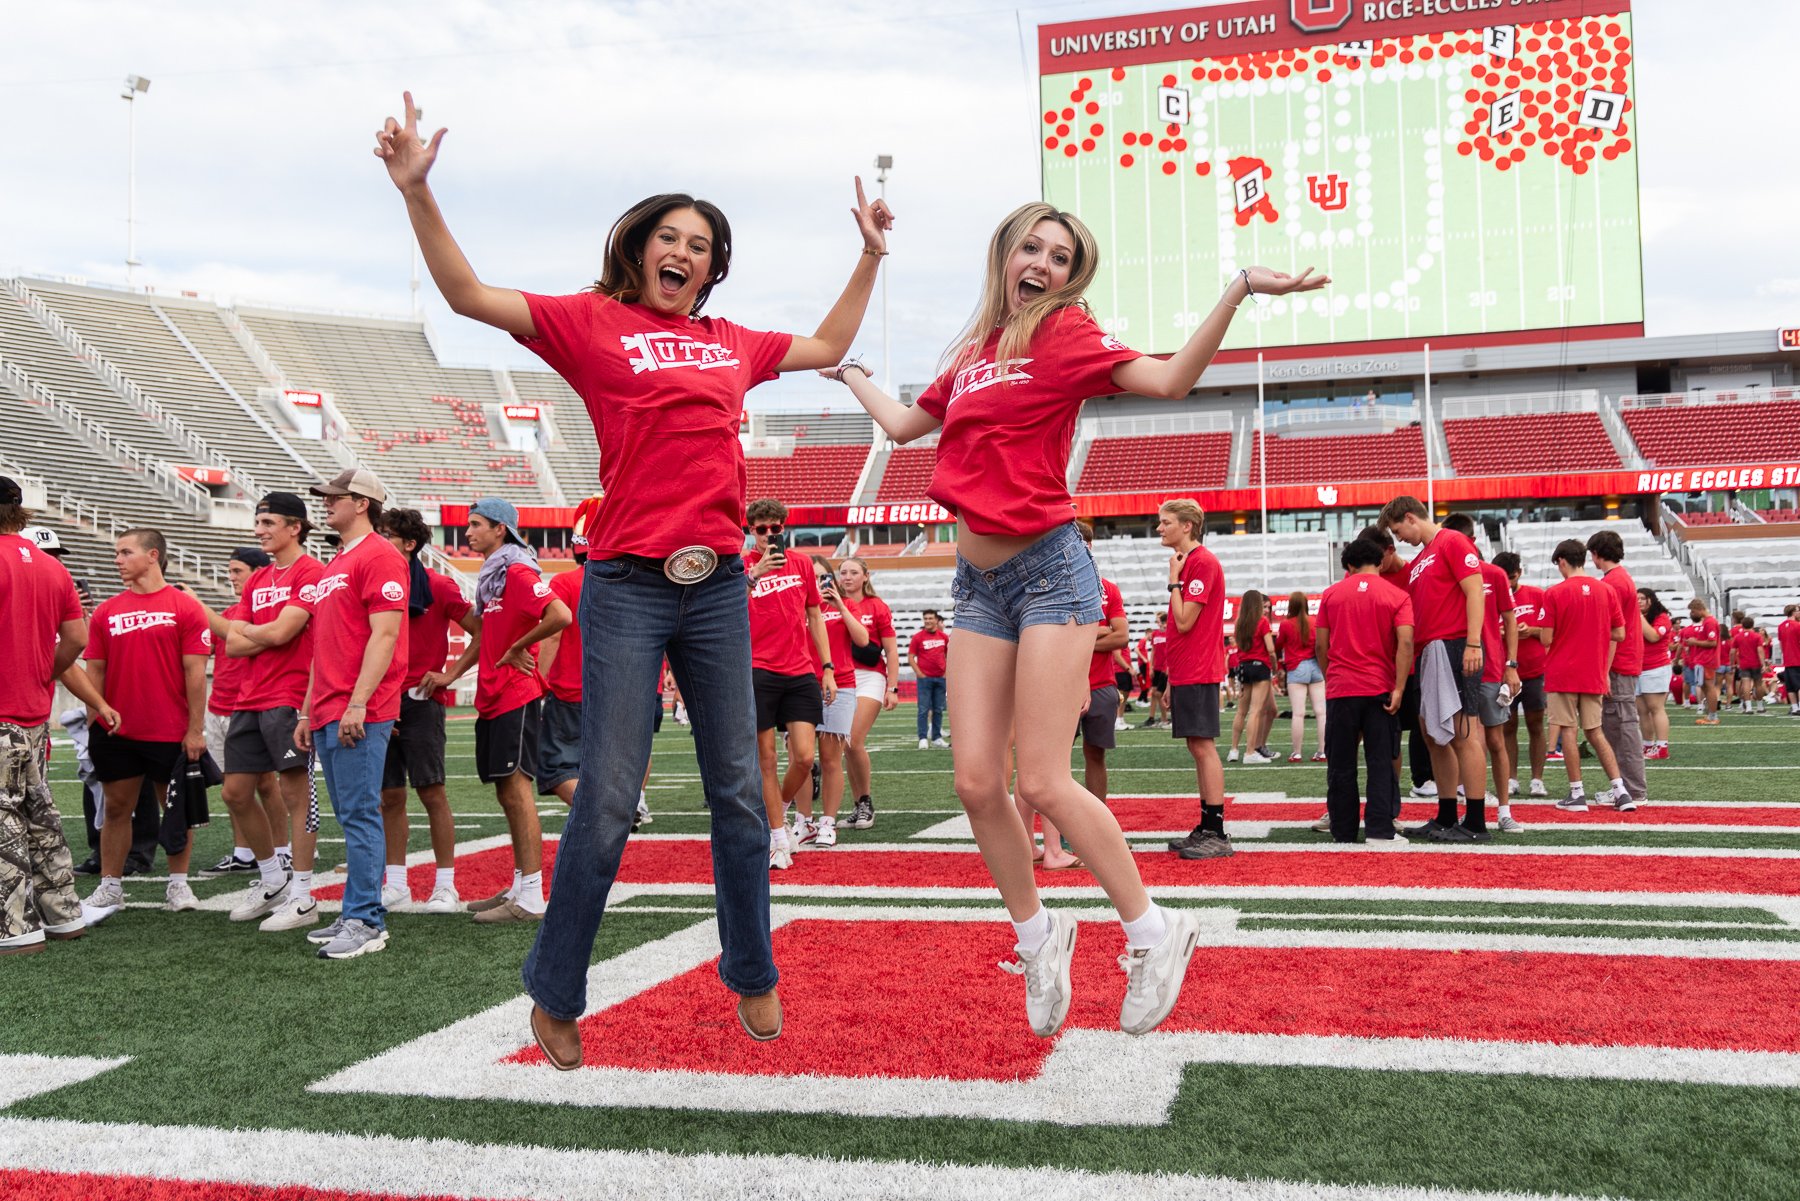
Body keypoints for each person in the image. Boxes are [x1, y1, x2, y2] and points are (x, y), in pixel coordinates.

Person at [377, 89, 894, 1053]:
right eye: (670, 235)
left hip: (719, 588)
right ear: (638, 247)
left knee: (739, 791)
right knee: (609, 796)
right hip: (623, 584)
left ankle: (751, 965)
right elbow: (467, 297)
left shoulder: (732, 344)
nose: (685, 251)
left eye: (701, 243)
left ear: (713, 265)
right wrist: (417, 193)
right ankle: (557, 987)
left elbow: (826, 346)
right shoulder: (591, 322)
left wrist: (869, 253)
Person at [828, 202, 1323, 1035]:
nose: (1045, 264)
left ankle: (1155, 931)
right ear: (1006, 253)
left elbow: (1170, 381)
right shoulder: (976, 354)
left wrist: (1237, 290)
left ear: (1071, 278)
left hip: (1050, 574)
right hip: (977, 586)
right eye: (1034, 246)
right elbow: (906, 426)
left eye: (1062, 257)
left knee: (1044, 780)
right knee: (976, 781)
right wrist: (848, 373)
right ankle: (1038, 934)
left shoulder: (1067, 335)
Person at [420, 498, 569, 925]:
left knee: (518, 793)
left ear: (500, 529)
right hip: (493, 694)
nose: (467, 533)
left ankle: (532, 897)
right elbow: (485, 637)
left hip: (515, 695)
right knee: (507, 793)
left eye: (475, 525)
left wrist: (520, 647)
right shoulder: (494, 578)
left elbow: (560, 615)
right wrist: (452, 675)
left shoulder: (518, 572)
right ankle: (521, 886)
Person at [295, 468, 409, 960]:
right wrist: (306, 709)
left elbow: (384, 636)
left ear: (361, 502)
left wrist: (358, 701)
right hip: (328, 706)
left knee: (361, 815)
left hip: (358, 707)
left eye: (334, 497)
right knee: (350, 815)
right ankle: (354, 910)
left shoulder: (381, 555)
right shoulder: (336, 562)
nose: (325, 504)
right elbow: (325, 644)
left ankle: (366, 919)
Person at [77, 530, 212, 924]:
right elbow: (95, 670)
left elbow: (196, 674)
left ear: (153, 555)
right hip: (116, 731)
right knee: (117, 808)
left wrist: (195, 729)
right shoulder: (105, 611)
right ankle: (111, 885)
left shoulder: (185, 607)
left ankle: (179, 882)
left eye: (125, 552)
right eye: (116, 553)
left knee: (175, 808)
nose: (118, 560)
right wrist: (93, 720)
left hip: (169, 729)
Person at [221, 492, 324, 932]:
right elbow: (232, 642)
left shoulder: (312, 571)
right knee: (235, 793)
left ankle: (303, 895)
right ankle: (272, 880)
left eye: (267, 522)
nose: (258, 529)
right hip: (249, 696)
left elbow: (285, 632)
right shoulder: (258, 579)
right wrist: (267, 633)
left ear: (294, 527)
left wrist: (259, 632)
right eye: (258, 522)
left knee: (295, 796)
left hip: (290, 695)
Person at [0, 480, 92, 953]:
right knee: (40, 815)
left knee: (4, 820)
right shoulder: (53, 569)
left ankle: (15, 930)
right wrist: (41, 674)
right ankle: (64, 917)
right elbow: (76, 638)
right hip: (33, 712)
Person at [1377, 496, 1490, 842]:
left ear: (1410, 518)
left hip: (1454, 644)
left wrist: (1473, 642)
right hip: (1429, 652)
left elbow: (1475, 591)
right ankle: (1445, 814)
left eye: (1398, 531)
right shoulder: (1423, 557)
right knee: (1433, 736)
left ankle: (1475, 821)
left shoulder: (1453, 541)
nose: (1400, 539)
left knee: (1463, 731)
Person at [379, 507, 473, 913]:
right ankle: (396, 884)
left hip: (420, 701)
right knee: (389, 796)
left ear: (409, 543)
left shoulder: (438, 585)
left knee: (432, 792)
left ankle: (446, 885)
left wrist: (449, 674)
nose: (379, 541)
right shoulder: (374, 583)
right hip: (380, 700)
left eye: (386, 535)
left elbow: (484, 631)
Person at [743, 498, 834, 857]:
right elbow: (730, 608)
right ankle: (777, 835)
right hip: (757, 669)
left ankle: (775, 809)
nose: (769, 535)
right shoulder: (740, 566)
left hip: (799, 669)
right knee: (765, 759)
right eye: (761, 529)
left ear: (784, 527)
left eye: (774, 528)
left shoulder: (801, 564)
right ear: (752, 531)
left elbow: (815, 616)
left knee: (803, 757)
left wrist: (826, 668)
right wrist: (755, 574)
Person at [1314, 538, 1414, 843]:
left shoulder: (1331, 594)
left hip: (1342, 688)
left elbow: (1320, 644)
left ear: (1348, 565)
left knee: (1341, 764)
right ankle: (1380, 829)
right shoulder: (1397, 595)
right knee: (1381, 762)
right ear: (1381, 562)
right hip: (1379, 688)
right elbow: (1406, 642)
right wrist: (1399, 687)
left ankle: (1342, 830)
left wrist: (1332, 675)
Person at [1528, 539, 1633, 812]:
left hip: (1563, 671)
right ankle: (1620, 790)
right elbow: (1620, 633)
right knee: (1596, 732)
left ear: (1562, 561)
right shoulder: (1606, 590)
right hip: (1593, 671)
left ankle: (1577, 793)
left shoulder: (1554, 593)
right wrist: (1592, 631)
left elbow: (1547, 638)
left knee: (1568, 731)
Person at [1158, 500, 1233, 861]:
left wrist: (1173, 581)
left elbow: (1185, 620)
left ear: (1187, 525)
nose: (1160, 528)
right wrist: (1173, 678)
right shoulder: (1192, 563)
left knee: (1203, 748)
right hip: (1189, 669)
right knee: (1196, 748)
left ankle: (1216, 831)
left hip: (1200, 668)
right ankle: (1207, 826)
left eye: (1165, 522)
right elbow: (1181, 629)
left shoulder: (1201, 562)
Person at [199, 547, 281, 876]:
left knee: (266, 784)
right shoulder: (231, 613)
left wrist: (198, 607)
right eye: (230, 571)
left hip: (249, 707)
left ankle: (281, 849)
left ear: (259, 575)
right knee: (233, 789)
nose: (231, 578)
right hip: (218, 708)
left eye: (238, 571)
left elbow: (232, 637)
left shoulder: (268, 616)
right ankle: (243, 852)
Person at [1441, 514, 1522, 832]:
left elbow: (1510, 619)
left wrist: (1511, 665)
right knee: (1464, 739)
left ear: (1468, 540)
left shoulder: (1493, 574)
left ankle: (1504, 809)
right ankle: (1469, 807)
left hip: (1489, 670)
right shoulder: (1443, 574)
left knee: (1495, 741)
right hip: (1455, 670)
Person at [1067, 520, 1128, 848]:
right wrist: (1098, 632)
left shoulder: (1108, 588)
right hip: (1062, 686)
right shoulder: (1058, 587)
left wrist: (1079, 638)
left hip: (1101, 683)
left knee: (1096, 756)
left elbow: (1121, 635)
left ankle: (1098, 827)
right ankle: (1067, 827)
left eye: (1086, 544)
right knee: (1056, 764)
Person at [807, 566, 872, 864]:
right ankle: (802, 820)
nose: (820, 583)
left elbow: (862, 640)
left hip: (841, 684)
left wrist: (840, 605)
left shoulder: (846, 605)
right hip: (801, 682)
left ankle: (827, 822)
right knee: (802, 759)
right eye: (815, 576)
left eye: (824, 577)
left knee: (832, 758)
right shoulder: (800, 603)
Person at [1586, 530, 1648, 809]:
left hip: (1619, 662)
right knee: (1616, 727)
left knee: (1623, 728)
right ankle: (1625, 786)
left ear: (1597, 554)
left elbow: (1614, 632)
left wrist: (1603, 670)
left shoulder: (1613, 583)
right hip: (1623, 660)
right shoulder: (1620, 579)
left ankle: (1633, 789)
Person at [834, 556, 896, 830]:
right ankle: (858, 805)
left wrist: (892, 687)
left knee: (853, 739)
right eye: (843, 572)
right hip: (840, 676)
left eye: (853, 572)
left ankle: (866, 802)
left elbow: (891, 650)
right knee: (844, 745)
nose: (847, 577)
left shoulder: (876, 606)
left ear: (866, 576)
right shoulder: (830, 604)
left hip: (870, 676)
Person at [1494, 552, 1550, 798]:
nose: (1508, 583)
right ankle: (1511, 777)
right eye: (1503, 578)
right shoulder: (1491, 597)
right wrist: (1504, 632)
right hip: (1503, 671)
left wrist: (1533, 630)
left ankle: (1537, 779)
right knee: (1507, 726)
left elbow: (1550, 630)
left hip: (1534, 670)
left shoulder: (1537, 595)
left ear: (1520, 572)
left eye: (1512, 577)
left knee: (1536, 725)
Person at [1276, 590, 1326, 763]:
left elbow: (1279, 644)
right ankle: (1323, 751)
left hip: (1296, 668)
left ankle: (1296, 753)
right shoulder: (1315, 622)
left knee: (1298, 714)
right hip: (1315, 666)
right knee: (1321, 713)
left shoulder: (1286, 624)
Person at [1232, 591, 1278, 764]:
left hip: (1244, 666)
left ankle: (1234, 750)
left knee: (1241, 711)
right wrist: (1273, 666)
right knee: (1256, 711)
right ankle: (1250, 752)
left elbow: (1240, 647)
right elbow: (1271, 649)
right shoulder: (1262, 621)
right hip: (1260, 667)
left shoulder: (1239, 623)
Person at [1636, 588, 1673, 759]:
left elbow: (1653, 636)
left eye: (1642, 598)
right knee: (1642, 710)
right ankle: (1648, 745)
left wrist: (1638, 616)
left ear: (1651, 600)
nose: (1639, 601)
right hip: (1638, 668)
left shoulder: (1662, 618)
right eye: (1636, 599)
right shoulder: (1638, 617)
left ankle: (1662, 746)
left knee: (1655, 708)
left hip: (1655, 668)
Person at [909, 610, 949, 749]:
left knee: (938, 709)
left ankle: (937, 737)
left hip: (940, 679)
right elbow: (911, 657)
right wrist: (919, 673)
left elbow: (948, 655)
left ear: (936, 620)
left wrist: (946, 672)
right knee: (923, 709)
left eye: (930, 618)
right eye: (925, 618)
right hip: (925, 679)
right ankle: (922, 738)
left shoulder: (944, 637)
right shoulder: (918, 637)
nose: (927, 621)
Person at [1685, 598, 1723, 725]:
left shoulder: (1709, 622)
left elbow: (1712, 642)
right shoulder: (1707, 622)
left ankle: (1713, 716)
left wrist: (1694, 641)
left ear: (1700, 609)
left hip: (1707, 659)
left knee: (1709, 687)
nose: (1692, 614)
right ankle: (1711, 714)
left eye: (1693, 611)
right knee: (1705, 687)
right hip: (1703, 659)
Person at [1729, 615, 1765, 715]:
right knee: (1758, 684)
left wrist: (1732, 664)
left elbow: (1732, 652)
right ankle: (1760, 706)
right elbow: (1760, 650)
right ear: (1752, 625)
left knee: (1746, 685)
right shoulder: (1757, 636)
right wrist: (1763, 664)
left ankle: (1748, 707)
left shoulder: (1737, 637)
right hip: (1756, 663)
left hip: (1744, 664)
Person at [1779, 604, 1800, 716]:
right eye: (1798, 610)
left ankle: (1795, 708)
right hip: (1798, 658)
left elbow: (1782, 644)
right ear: (1793, 612)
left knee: (1790, 686)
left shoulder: (1781, 626)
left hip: (1787, 659)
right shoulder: (1798, 625)